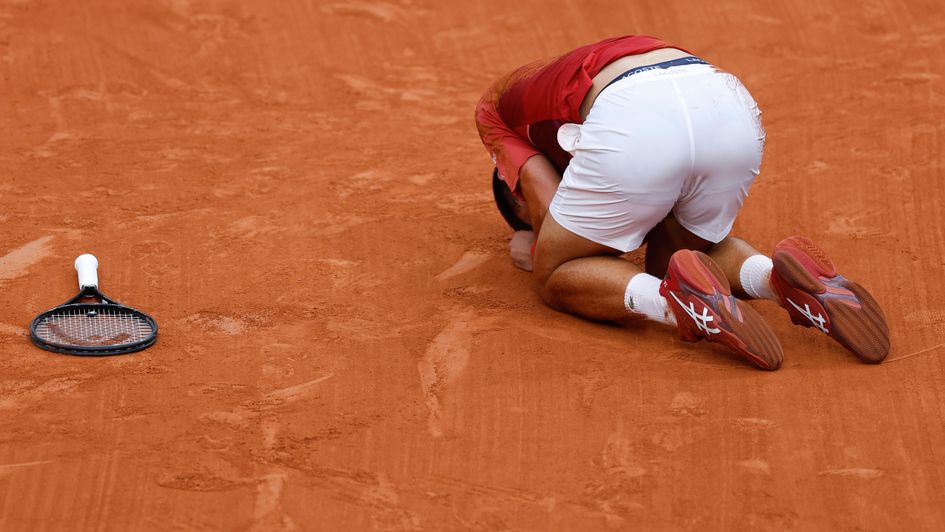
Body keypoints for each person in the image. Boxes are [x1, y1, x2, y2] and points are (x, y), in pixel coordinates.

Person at [475, 35, 890, 370]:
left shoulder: (494, 113)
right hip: (722, 102)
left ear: (512, 188)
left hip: (632, 119)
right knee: (688, 255)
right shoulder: (557, 80)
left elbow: (547, 213)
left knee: (557, 271)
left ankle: (675, 304)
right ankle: (776, 282)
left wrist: (539, 247)